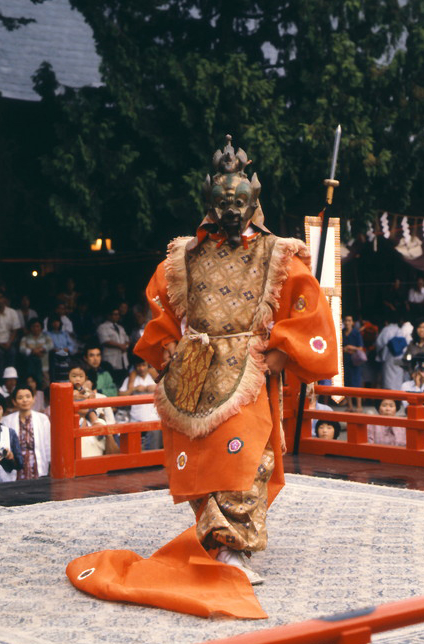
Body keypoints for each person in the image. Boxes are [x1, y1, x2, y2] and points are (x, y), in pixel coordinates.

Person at [125, 135, 337, 589]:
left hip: (249, 367)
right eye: (222, 200)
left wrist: (282, 351)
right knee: (200, 462)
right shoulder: (183, 255)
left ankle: (231, 545)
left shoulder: (277, 251)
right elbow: (160, 306)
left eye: (239, 200)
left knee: (246, 461)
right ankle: (219, 544)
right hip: (195, 368)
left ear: (253, 199)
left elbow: (307, 305)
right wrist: (168, 353)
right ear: (208, 200)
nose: (231, 209)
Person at [2, 386, 51, 479]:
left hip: (37, 467)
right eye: (20, 398)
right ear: (14, 401)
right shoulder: (7, 421)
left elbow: (48, 444)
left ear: (33, 399)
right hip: (17, 468)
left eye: (28, 397)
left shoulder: (42, 418)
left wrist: (50, 466)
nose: (25, 400)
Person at [121, 356, 161, 450]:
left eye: (144, 365)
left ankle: (153, 462)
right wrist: (134, 389)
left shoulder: (154, 377)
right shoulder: (131, 379)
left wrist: (156, 388)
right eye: (139, 366)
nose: (142, 368)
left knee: (155, 443)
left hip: (153, 417)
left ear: (148, 365)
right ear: (135, 367)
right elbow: (121, 394)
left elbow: (168, 388)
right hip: (136, 418)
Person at [0, 396, 22, 483]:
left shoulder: (10, 433)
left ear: (3, 411)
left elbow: (19, 464)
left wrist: (11, 457)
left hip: (6, 484)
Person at [97, 306, 130, 387]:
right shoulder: (103, 327)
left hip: (123, 360)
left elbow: (127, 339)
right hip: (111, 359)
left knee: (123, 381)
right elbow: (104, 341)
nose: (117, 316)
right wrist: (120, 346)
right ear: (109, 315)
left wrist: (126, 345)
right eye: (115, 314)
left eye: (118, 314)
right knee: (113, 381)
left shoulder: (120, 327)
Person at [376, 313, 410, 390]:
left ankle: (390, 396)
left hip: (389, 357)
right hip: (400, 358)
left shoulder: (386, 329)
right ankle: (398, 396)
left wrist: (379, 355)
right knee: (399, 375)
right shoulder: (400, 330)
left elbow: (379, 343)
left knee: (389, 378)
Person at [0, 290, 22, 378]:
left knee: (12, 352)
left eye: (0, 298)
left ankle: (11, 378)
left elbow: (15, 330)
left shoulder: (12, 312)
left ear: (4, 299)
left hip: (9, 342)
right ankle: (0, 380)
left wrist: (9, 343)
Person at [19, 318, 53, 385]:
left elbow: (51, 345)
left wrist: (41, 349)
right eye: (33, 326)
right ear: (30, 328)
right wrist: (32, 351)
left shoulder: (46, 337)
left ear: (41, 327)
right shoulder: (25, 338)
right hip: (30, 366)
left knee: (45, 384)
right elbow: (22, 349)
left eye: (38, 326)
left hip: (44, 366)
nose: (36, 328)